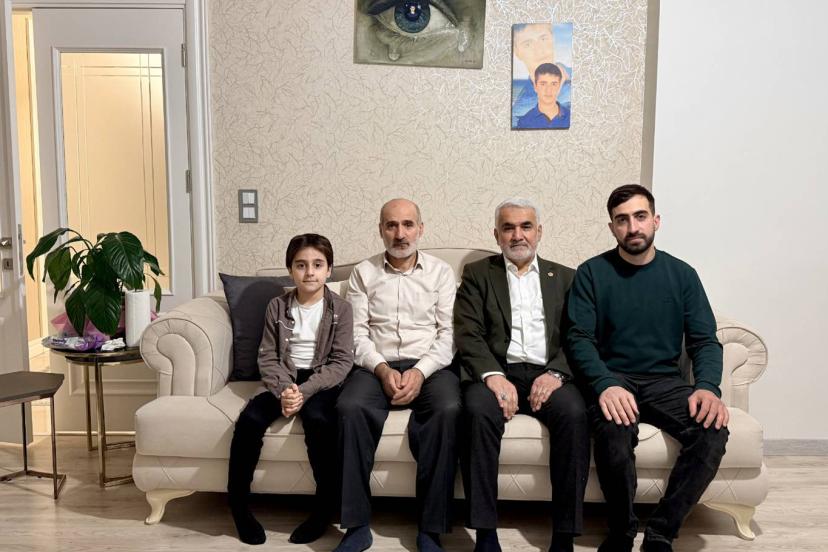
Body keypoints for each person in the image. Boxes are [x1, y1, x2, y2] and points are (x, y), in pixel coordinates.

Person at [566, 185, 730, 552]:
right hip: (613, 379)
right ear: (612, 227)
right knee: (613, 431)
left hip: (665, 382)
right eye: (622, 220)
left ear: (656, 221)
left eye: (640, 217)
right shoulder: (591, 273)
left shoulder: (682, 274)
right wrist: (604, 383)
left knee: (712, 431)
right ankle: (621, 532)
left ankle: (661, 533)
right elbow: (579, 338)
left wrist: (707, 387)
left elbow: (704, 340)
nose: (632, 227)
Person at [454, 198, 589, 552]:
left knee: (575, 415)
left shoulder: (566, 277)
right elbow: (468, 332)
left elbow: (579, 335)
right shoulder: (478, 274)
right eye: (508, 228)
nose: (517, 235)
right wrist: (492, 375)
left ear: (539, 232)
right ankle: (485, 534)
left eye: (526, 226)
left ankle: (564, 536)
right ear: (496, 234)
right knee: (477, 413)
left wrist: (557, 373)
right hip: (498, 371)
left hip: (549, 372)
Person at [334, 198, 460, 552]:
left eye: (407, 224)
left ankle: (430, 529)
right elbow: (357, 334)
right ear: (381, 230)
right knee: (349, 408)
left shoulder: (441, 273)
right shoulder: (363, 273)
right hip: (376, 364)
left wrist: (420, 371)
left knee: (448, 410)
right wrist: (381, 367)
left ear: (421, 229)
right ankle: (356, 526)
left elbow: (449, 335)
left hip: (431, 365)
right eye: (391, 225)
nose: (400, 233)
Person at [226, 234, 354, 545]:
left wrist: (304, 392)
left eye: (318, 265)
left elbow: (341, 362)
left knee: (319, 420)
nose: (310, 272)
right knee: (250, 420)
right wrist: (285, 389)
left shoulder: (341, 309)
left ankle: (323, 510)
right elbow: (267, 356)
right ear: (290, 270)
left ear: (329, 270)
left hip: (322, 379)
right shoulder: (277, 306)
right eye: (301, 265)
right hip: (285, 376)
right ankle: (239, 507)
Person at [512, 23, 571, 127]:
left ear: (553, 39)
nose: (539, 51)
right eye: (527, 44)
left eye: (543, 39)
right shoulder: (518, 113)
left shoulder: (583, 78)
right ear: (517, 52)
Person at [516, 63, 570, 129]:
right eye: (543, 84)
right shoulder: (524, 122)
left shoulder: (571, 118)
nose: (548, 90)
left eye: (553, 84)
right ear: (535, 87)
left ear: (559, 87)